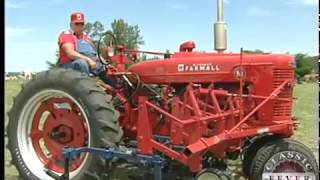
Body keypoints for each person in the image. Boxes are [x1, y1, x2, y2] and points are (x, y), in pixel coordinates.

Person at [58, 12, 112, 85]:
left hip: (88, 64)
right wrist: (88, 60)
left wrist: (104, 63)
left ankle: (119, 90)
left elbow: (95, 53)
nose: (79, 26)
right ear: (71, 24)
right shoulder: (66, 35)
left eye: (82, 24)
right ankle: (85, 90)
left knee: (106, 68)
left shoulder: (87, 37)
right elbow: (70, 53)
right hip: (68, 65)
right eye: (77, 24)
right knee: (81, 63)